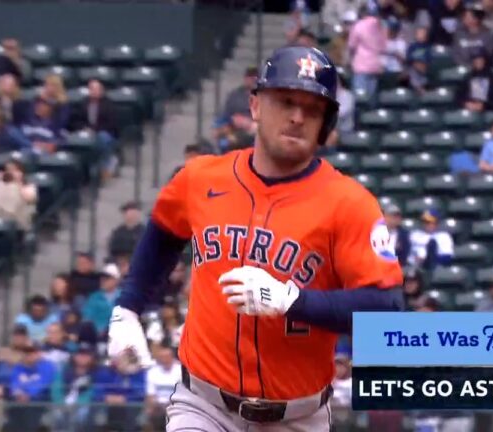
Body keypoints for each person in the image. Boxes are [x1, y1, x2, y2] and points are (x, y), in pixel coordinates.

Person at [107, 46, 403, 431]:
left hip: (297, 416)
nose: (297, 117)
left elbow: (385, 307)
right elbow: (163, 233)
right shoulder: (200, 179)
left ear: (325, 125)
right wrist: (128, 307)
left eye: (312, 110)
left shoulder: (349, 203)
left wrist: (291, 299)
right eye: (285, 101)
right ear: (256, 105)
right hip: (203, 405)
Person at [0, 159, 37, 231]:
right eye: (7, 170)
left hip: (18, 225)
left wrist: (19, 182)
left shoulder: (28, 186)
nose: (10, 173)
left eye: (13, 170)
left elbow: (30, 198)